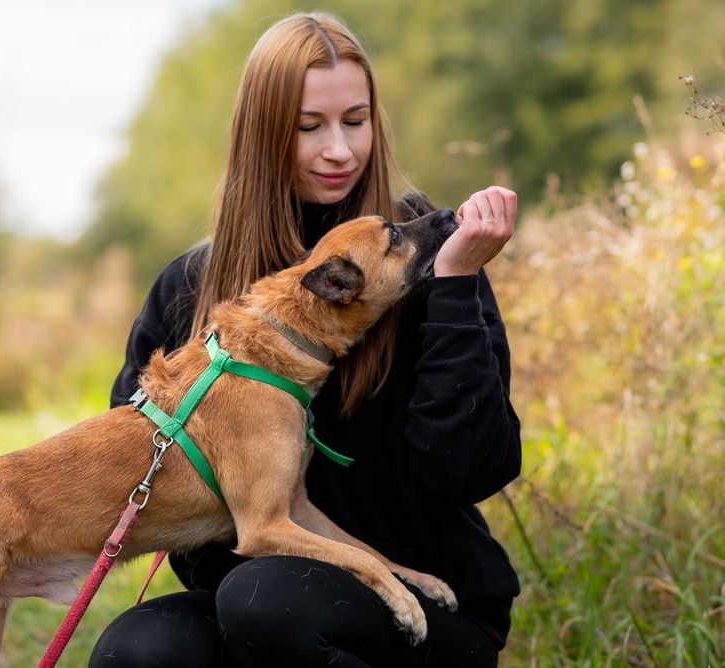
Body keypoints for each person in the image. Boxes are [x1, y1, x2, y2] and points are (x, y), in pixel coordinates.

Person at [89, 11, 521, 668]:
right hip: (253, 584)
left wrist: (457, 283)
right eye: (308, 126)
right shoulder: (194, 285)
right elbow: (138, 472)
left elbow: (473, 470)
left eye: (356, 119)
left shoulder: (431, 252)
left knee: (267, 602)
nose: (340, 149)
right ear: (261, 135)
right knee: (138, 650)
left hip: (425, 602)